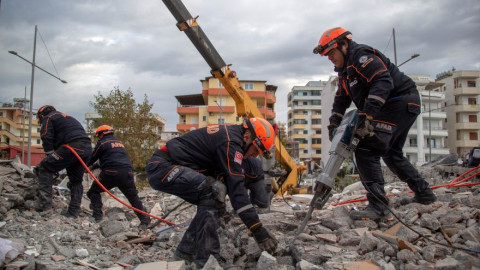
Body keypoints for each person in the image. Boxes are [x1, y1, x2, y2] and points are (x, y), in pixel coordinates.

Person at [313, 27, 437, 221]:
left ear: (344, 45)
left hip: (400, 101)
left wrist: (367, 115)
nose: (330, 58)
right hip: (403, 103)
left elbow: (382, 80)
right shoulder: (345, 73)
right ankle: (424, 194)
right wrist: (333, 123)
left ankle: (378, 207)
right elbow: (341, 99)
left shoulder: (360, 56)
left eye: (331, 53)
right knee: (391, 153)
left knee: (365, 148)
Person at [146, 118, 278, 267]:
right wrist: (257, 229)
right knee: (213, 192)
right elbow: (238, 191)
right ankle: (209, 261)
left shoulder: (232, 138)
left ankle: (184, 254)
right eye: (255, 150)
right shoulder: (230, 144)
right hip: (163, 168)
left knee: (212, 199)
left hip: (170, 166)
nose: (254, 156)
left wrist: (222, 211)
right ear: (247, 137)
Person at [32, 105, 92, 218]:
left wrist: (49, 157)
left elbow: (46, 136)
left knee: (44, 167)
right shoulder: (67, 117)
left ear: (41, 115)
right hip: (87, 148)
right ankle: (73, 212)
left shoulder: (49, 118)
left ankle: (44, 204)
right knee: (76, 181)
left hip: (72, 147)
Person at [86, 125, 151, 228]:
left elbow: (92, 158)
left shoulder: (102, 143)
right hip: (127, 173)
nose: (98, 138)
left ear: (102, 134)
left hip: (111, 173)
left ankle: (97, 216)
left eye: (98, 136)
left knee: (93, 191)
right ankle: (145, 220)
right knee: (133, 197)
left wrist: (85, 166)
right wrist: (93, 167)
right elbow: (111, 159)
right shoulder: (119, 144)